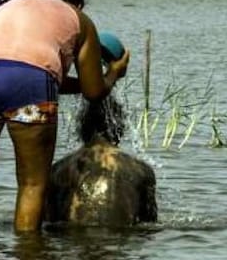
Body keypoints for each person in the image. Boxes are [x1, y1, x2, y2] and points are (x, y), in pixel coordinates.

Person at [0, 0, 130, 232]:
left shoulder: (13, 4)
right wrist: (113, 74)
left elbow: (40, 72)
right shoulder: (80, 20)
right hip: (29, 80)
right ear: (76, 5)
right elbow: (93, 91)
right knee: (32, 184)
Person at [46, 95, 157, 227]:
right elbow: (149, 224)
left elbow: (48, 222)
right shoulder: (141, 169)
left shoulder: (58, 170)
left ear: (83, 126)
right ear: (119, 126)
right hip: (119, 243)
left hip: (74, 244)